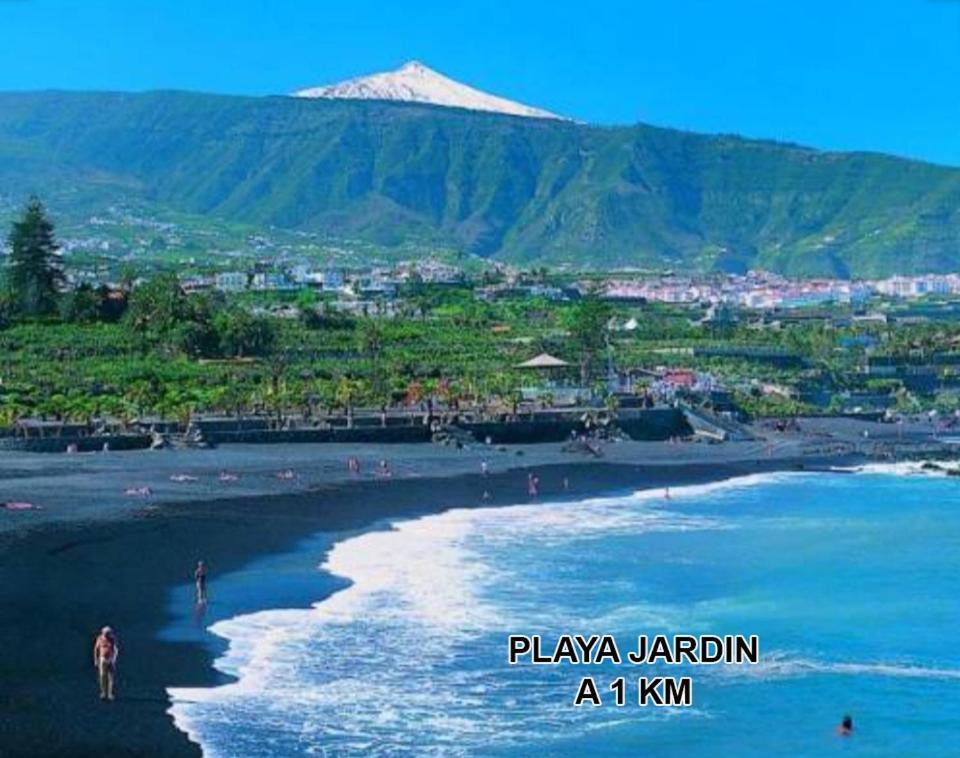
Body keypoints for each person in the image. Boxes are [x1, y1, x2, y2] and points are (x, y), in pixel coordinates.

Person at [92, 626, 119, 701]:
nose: (106, 635)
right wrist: (95, 659)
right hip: (102, 659)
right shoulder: (100, 639)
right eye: (105, 633)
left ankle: (110, 693)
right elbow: (96, 649)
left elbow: (115, 649)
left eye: (108, 633)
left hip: (110, 659)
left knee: (110, 677)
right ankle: (103, 692)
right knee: (102, 676)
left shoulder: (112, 639)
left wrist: (113, 659)